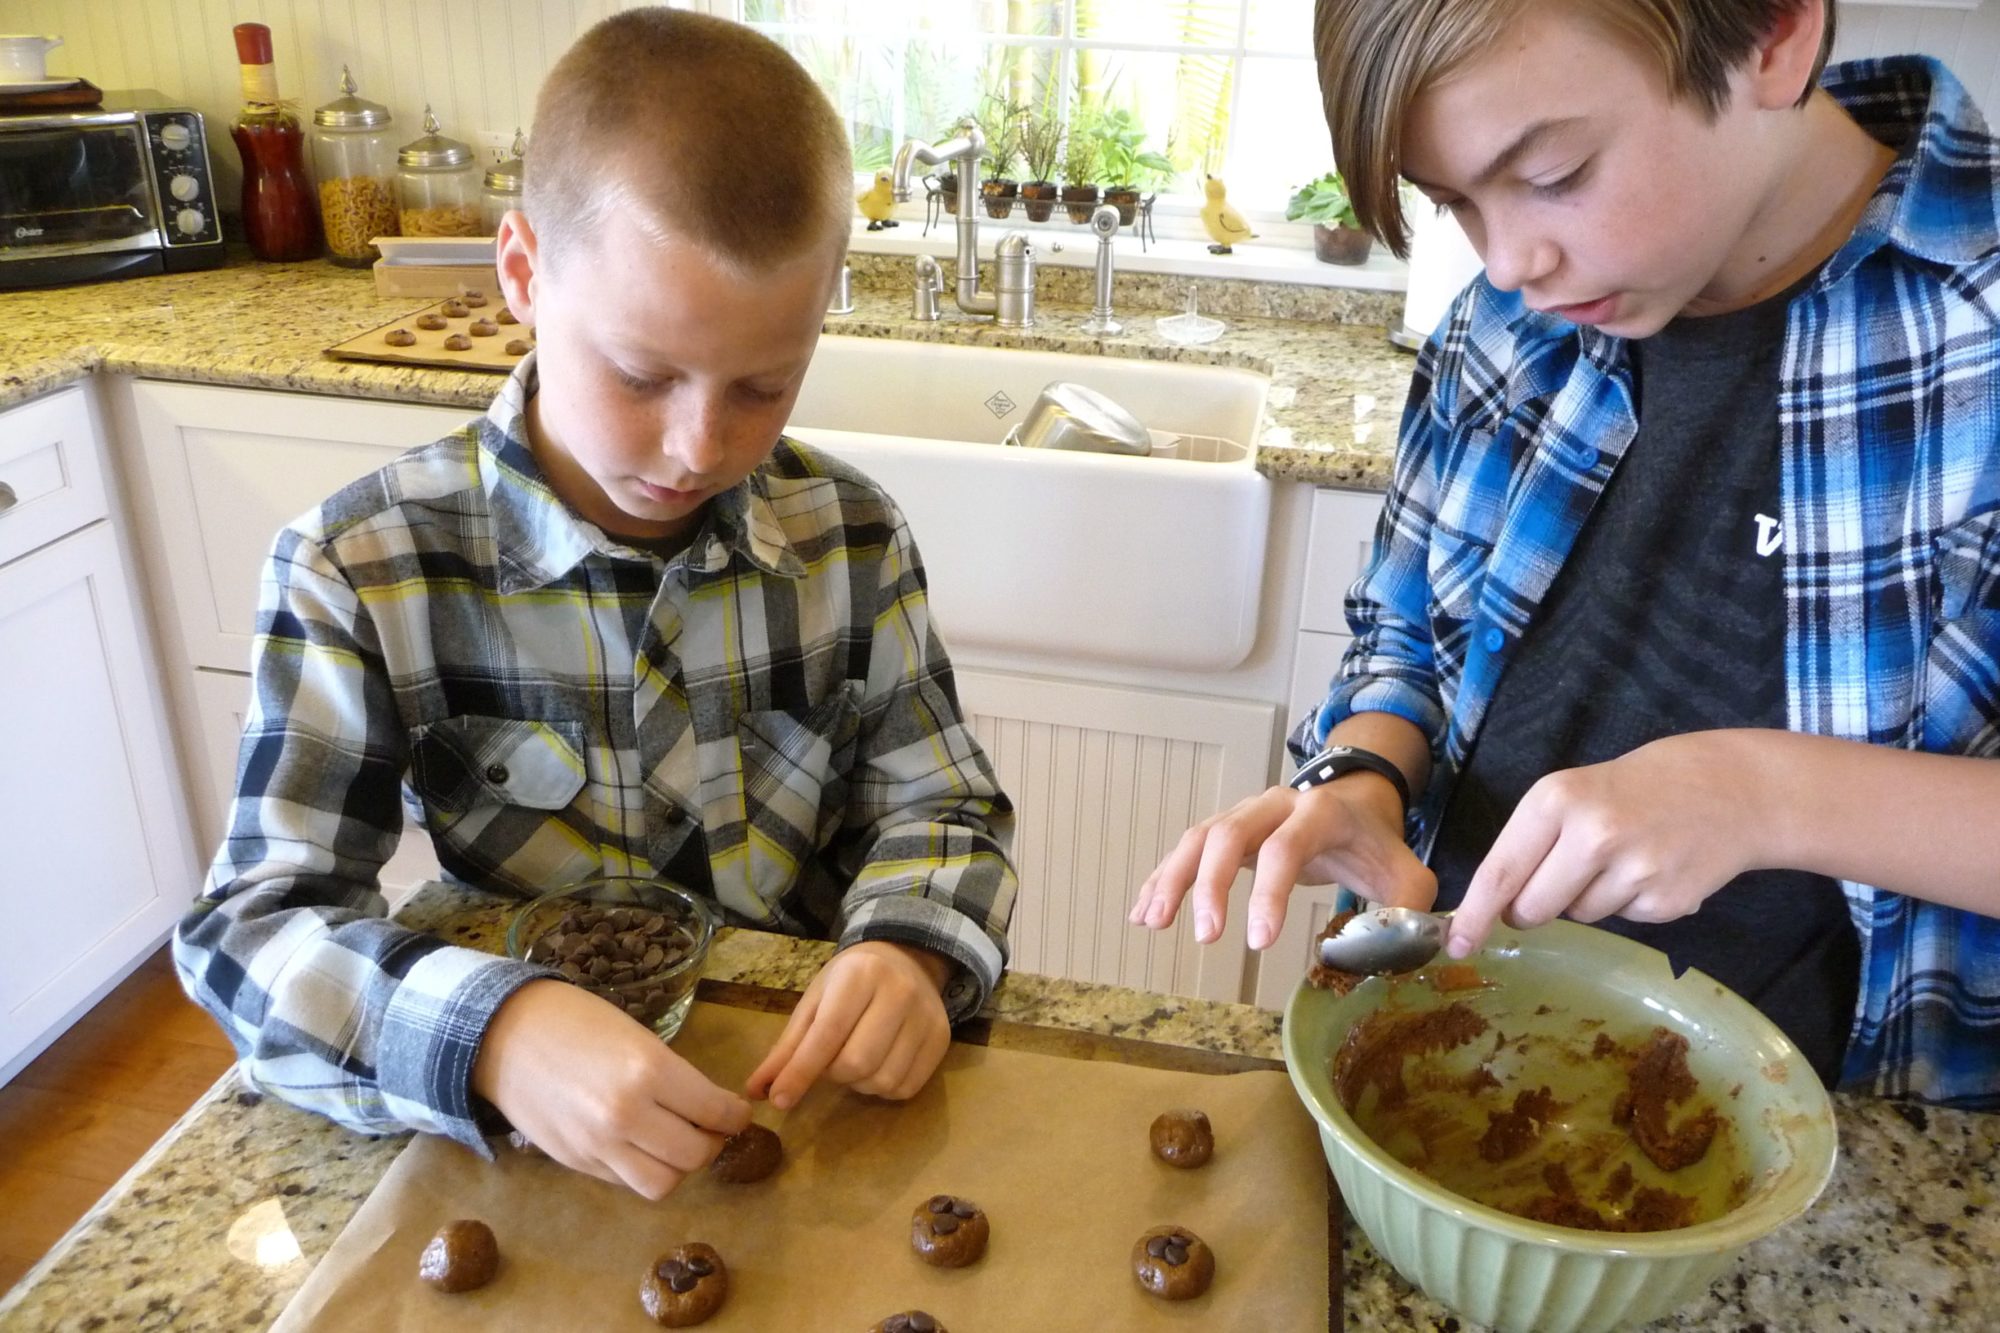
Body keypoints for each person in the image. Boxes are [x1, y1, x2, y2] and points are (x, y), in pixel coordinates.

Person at [173, 8, 1018, 1200]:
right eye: (641, 374)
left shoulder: (852, 536)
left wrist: (914, 946)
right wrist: (497, 1034)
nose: (696, 445)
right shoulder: (357, 563)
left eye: (763, 386)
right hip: (515, 1133)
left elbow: (943, 805)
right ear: (521, 272)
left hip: (798, 1112)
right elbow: (253, 932)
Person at [1132, 0, 2000, 1108]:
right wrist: (1362, 775)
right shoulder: (1497, 330)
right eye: (1451, 201)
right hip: (1445, 1062)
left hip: (1825, 1137)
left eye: (1551, 176)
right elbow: (1404, 637)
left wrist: (1768, 793)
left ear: (1775, 35)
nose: (1507, 263)